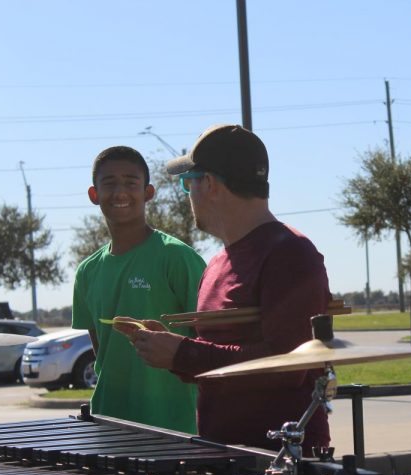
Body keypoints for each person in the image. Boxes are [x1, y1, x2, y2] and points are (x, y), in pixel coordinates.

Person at [118, 125, 331, 451]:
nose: (188, 194)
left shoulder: (291, 254)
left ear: (209, 183)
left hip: (280, 464)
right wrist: (173, 352)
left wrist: (183, 353)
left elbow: (287, 366)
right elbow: (217, 366)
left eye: (187, 183)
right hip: (221, 454)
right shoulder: (216, 263)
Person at [72, 146, 205, 432]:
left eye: (131, 183)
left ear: (149, 193)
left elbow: (209, 346)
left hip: (173, 426)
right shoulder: (87, 272)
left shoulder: (177, 258)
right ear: (94, 195)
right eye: (109, 184)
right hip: (108, 422)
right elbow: (102, 353)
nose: (120, 192)